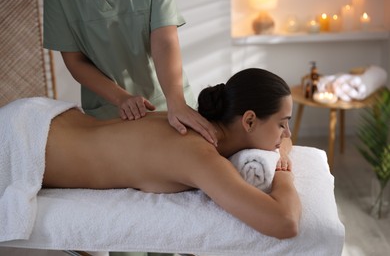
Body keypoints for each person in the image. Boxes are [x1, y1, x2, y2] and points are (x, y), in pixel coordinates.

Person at [40, 68, 301, 239]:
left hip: (48, 119)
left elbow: (285, 143)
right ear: (250, 121)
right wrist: (283, 171)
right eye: (282, 123)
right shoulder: (200, 155)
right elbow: (285, 223)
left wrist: (282, 148)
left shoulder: (192, 125)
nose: (287, 135)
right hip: (29, 143)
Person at [43, 0, 217, 146]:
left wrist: (177, 103)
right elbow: (76, 62)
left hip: (169, 106)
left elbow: (165, 41)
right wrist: (121, 98)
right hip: (109, 116)